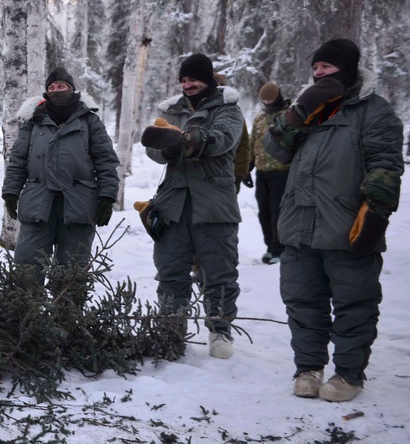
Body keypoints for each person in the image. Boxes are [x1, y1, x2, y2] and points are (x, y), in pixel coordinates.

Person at [263, 39, 403, 402]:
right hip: (299, 225)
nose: (319, 72)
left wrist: (375, 215)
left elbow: (385, 166)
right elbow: (275, 149)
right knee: (301, 300)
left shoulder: (374, 111)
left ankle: (348, 375)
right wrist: (299, 111)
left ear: (349, 70)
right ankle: (308, 367)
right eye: (317, 67)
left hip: (345, 226)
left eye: (328, 67)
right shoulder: (309, 109)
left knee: (354, 303)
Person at [139, 53, 243, 360]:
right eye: (184, 80)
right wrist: (166, 148)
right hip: (173, 204)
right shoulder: (172, 111)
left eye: (194, 79)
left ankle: (220, 329)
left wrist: (180, 142)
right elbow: (154, 150)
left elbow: (221, 140)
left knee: (219, 271)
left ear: (208, 79)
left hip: (214, 203)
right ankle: (171, 330)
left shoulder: (228, 110)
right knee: (170, 270)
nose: (188, 85)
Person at [1, 67, 120, 287]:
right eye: (52, 87)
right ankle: (26, 318)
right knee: (27, 266)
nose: (57, 90)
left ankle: (67, 320)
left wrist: (107, 198)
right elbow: (17, 161)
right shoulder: (33, 122)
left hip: (79, 206)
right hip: (38, 203)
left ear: (72, 89)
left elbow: (106, 162)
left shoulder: (90, 122)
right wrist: (10, 192)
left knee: (72, 272)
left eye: (62, 86)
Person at [250, 83, 290, 264]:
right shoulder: (259, 118)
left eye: (270, 99)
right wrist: (247, 168)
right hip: (262, 172)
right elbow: (252, 142)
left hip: (282, 172)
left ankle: (279, 249)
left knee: (278, 212)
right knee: (263, 212)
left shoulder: (289, 115)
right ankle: (269, 247)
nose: (267, 103)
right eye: (264, 100)